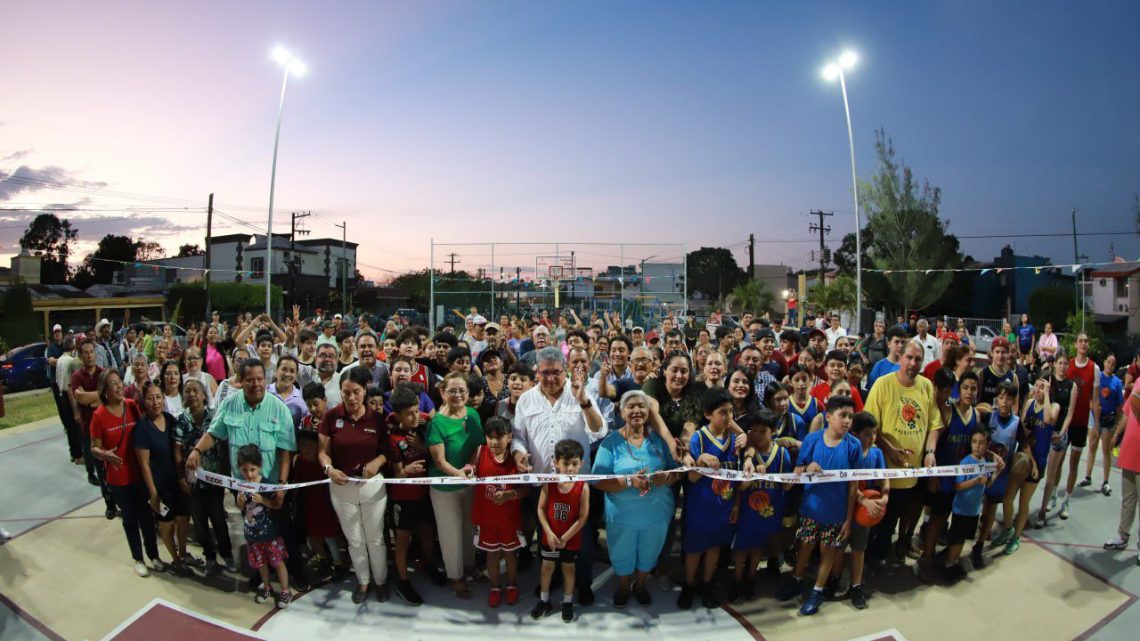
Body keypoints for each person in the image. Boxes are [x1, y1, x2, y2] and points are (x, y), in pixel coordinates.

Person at [185, 357, 306, 591]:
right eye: (250, 380)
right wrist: (197, 449)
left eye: (260, 379)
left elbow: (286, 450)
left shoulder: (278, 408)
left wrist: (281, 485)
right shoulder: (230, 404)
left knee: (283, 531)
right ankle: (263, 573)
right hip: (241, 486)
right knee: (254, 531)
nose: (256, 384)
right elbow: (214, 432)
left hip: (270, 485)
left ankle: (296, 572)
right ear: (241, 381)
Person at [512, 346, 607, 602]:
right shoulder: (526, 400)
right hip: (543, 486)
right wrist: (519, 454)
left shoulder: (581, 395)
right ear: (536, 372)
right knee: (547, 538)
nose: (551, 378)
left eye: (556, 373)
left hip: (577, 488)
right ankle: (551, 579)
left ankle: (583, 584)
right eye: (545, 373)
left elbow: (599, 431)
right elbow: (518, 436)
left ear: (564, 371)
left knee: (582, 541)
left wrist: (584, 402)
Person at [592, 391, 680, 608]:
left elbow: (679, 471)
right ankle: (623, 586)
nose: (637, 411)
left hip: (657, 514)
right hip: (622, 516)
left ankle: (640, 585)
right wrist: (628, 482)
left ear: (649, 412)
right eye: (631, 406)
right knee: (622, 552)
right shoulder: (610, 443)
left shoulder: (660, 441)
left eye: (642, 406)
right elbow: (597, 481)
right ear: (622, 412)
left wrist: (667, 477)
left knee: (650, 551)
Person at [776, 395, 861, 616]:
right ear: (828, 416)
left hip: (836, 512)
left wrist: (849, 519)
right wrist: (806, 468)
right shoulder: (812, 440)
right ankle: (796, 579)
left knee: (828, 551)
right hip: (810, 509)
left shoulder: (854, 445)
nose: (847, 421)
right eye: (843, 416)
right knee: (804, 546)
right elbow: (798, 470)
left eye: (851, 417)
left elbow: (854, 485)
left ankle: (817, 590)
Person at [864, 340, 943, 566]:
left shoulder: (926, 386)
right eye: (909, 357)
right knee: (878, 524)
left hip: (912, 474)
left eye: (918, 359)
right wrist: (889, 448)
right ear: (900, 358)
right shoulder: (882, 384)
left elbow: (934, 425)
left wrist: (930, 451)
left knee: (902, 519)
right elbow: (870, 428)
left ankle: (890, 552)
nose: (913, 363)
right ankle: (871, 563)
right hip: (885, 474)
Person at [319, 366, 391, 603]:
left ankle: (380, 581)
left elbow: (385, 453)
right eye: (346, 392)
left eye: (356, 392)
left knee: (375, 537)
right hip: (341, 487)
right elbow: (323, 453)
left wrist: (375, 463)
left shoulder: (377, 419)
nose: (351, 398)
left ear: (365, 391)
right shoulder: (331, 417)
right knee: (354, 539)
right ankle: (363, 581)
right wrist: (330, 469)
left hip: (372, 487)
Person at [89, 369, 159, 576]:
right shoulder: (98, 416)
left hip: (140, 473)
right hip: (119, 478)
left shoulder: (131, 406)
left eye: (120, 381)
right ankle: (138, 558)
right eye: (113, 383)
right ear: (104, 390)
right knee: (130, 519)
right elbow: (94, 447)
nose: (119, 386)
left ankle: (154, 555)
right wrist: (105, 455)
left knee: (147, 518)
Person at [677, 387, 738, 610]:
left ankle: (707, 584)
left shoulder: (736, 441)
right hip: (699, 506)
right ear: (708, 414)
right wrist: (701, 460)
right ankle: (688, 585)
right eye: (723, 412)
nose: (728, 417)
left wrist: (737, 504)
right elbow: (692, 477)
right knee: (694, 551)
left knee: (714, 549)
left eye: (731, 411)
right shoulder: (699, 439)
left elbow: (738, 477)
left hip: (724, 505)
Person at [427, 371, 484, 598]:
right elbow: (439, 461)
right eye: (452, 391)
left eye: (462, 390)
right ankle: (455, 576)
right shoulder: (436, 424)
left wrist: (471, 466)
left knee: (469, 528)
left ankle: (470, 566)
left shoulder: (472, 414)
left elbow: (478, 445)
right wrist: (459, 473)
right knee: (450, 534)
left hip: (468, 483)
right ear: (442, 393)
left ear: (468, 393)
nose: (458, 395)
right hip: (445, 489)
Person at [386, 387, 443, 605]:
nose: (415, 416)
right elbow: (398, 472)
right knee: (403, 539)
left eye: (416, 410)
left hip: (425, 493)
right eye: (409, 413)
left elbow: (436, 417)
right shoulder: (393, 436)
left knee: (428, 532)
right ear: (398, 415)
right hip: (403, 498)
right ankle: (403, 580)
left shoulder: (424, 424)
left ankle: (429, 566)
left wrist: (424, 446)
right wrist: (405, 472)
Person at [175, 378, 235, 575]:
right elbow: (177, 451)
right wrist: (181, 478)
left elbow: (223, 446)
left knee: (218, 519)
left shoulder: (215, 417)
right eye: (188, 391)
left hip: (214, 480)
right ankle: (210, 557)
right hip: (193, 484)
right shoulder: (181, 421)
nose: (192, 394)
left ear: (203, 395)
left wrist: (225, 475)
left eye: (196, 390)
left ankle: (227, 555)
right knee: (200, 524)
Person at [135, 381, 196, 574]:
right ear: (144, 402)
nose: (155, 402)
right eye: (150, 398)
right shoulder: (142, 429)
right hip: (159, 486)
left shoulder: (170, 420)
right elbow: (144, 465)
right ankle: (176, 560)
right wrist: (153, 494)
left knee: (183, 517)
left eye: (158, 397)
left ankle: (184, 553)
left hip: (176, 481)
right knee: (166, 524)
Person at [731, 410, 792, 601]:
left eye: (762, 431)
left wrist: (799, 472)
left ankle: (750, 577)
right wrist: (753, 477)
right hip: (746, 512)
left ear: (773, 431)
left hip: (769, 511)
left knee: (758, 546)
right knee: (741, 547)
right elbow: (738, 486)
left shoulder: (782, 454)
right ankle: (737, 579)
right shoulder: (745, 453)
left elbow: (787, 486)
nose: (757, 435)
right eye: (753, 430)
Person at [532, 439, 590, 622]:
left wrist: (565, 537)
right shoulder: (549, 483)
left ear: (581, 464)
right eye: (565, 463)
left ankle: (567, 602)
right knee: (547, 567)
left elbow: (583, 517)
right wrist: (548, 532)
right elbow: (540, 509)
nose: (570, 468)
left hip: (570, 539)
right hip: (550, 537)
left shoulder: (583, 487)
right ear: (555, 463)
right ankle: (544, 600)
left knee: (568, 569)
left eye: (574, 464)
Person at [470, 416, 524, 608]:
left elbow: (526, 488)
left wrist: (511, 495)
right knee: (491, 555)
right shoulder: (479, 452)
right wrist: (467, 470)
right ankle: (495, 587)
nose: (493, 441)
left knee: (510, 555)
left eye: (499, 437)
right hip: (486, 518)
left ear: (509, 437)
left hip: (509, 518)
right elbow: (469, 470)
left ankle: (511, 585)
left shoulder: (517, 458)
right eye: (489, 437)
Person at [1002, 374, 1058, 555]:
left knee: (1024, 502)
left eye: (1043, 387)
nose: (1039, 389)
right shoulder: (1029, 404)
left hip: (1039, 461)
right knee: (1008, 497)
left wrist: (1047, 394)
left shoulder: (1054, 407)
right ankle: (1008, 528)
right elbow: (1023, 432)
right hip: (1023, 456)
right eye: (1038, 386)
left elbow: (1049, 419)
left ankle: (1016, 537)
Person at [235, 445, 293, 609]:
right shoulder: (242, 485)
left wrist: (262, 500)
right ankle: (266, 587)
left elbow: (276, 506)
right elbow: (240, 507)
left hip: (270, 534)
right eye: (245, 470)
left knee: (277, 561)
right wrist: (240, 498)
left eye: (253, 469)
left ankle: (285, 590)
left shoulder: (266, 484)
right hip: (252, 534)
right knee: (261, 563)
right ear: (240, 469)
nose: (249, 474)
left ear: (259, 467)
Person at [1055, 334, 1102, 519]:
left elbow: (1095, 399)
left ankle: (1066, 500)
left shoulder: (1095, 368)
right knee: (1057, 462)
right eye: (1081, 340)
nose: (1084, 343)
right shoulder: (1068, 365)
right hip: (1065, 421)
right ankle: (1052, 495)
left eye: (1086, 341)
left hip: (1082, 423)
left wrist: (1096, 425)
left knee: (1073, 465)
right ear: (1075, 345)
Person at [975, 381, 1020, 568]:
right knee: (979, 506)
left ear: (1013, 401)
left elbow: (1024, 445)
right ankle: (975, 535)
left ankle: (979, 545)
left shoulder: (1017, 423)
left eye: (1008, 398)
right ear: (996, 398)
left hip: (1001, 474)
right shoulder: (988, 417)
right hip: (982, 469)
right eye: (1001, 397)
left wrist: (1030, 463)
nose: (1004, 402)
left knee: (991, 509)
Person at [943, 427, 995, 583]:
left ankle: (955, 562)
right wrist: (976, 481)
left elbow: (988, 485)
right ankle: (949, 566)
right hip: (961, 510)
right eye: (974, 442)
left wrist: (997, 472)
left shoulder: (985, 462)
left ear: (987, 444)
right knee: (956, 541)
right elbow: (959, 486)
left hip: (974, 510)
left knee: (963, 540)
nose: (977, 446)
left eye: (981, 443)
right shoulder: (966, 462)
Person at [72, 340, 117, 518]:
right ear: (81, 355)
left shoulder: (103, 374)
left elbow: (108, 397)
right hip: (89, 430)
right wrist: (99, 396)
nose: (89, 355)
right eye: (86, 352)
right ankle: (110, 504)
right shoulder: (77, 376)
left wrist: (91, 397)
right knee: (100, 469)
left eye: (92, 351)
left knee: (112, 467)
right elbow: (81, 399)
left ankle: (120, 498)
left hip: (107, 427)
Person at [1038, 352, 1079, 527]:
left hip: (1059, 434)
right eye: (1060, 363)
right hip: (1043, 429)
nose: (1062, 367)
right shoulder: (1048, 381)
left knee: (1051, 474)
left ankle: (1042, 510)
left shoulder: (1072, 386)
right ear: (1055, 365)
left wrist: (1062, 432)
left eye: (1065, 364)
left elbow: (1070, 414)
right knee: (1037, 470)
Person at [1103, 376, 1140, 565]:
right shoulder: (1139, 381)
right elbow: (1127, 412)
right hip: (1131, 449)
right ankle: (1122, 535)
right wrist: (1117, 434)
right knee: (1128, 498)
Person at [1083, 354, 1123, 494]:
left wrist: (1117, 423)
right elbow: (1089, 394)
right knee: (1092, 445)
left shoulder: (1117, 382)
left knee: (1106, 449)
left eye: (1113, 363)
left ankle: (1105, 481)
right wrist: (1091, 405)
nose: (1110, 365)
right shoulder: (1098, 376)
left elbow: (1119, 405)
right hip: (1094, 416)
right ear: (1104, 363)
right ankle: (1087, 475)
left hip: (1108, 418)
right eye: (1108, 362)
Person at [866, 325, 907, 391]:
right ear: (888, 343)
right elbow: (871, 391)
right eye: (896, 342)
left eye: (902, 342)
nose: (900, 346)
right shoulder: (879, 366)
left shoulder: (907, 366)